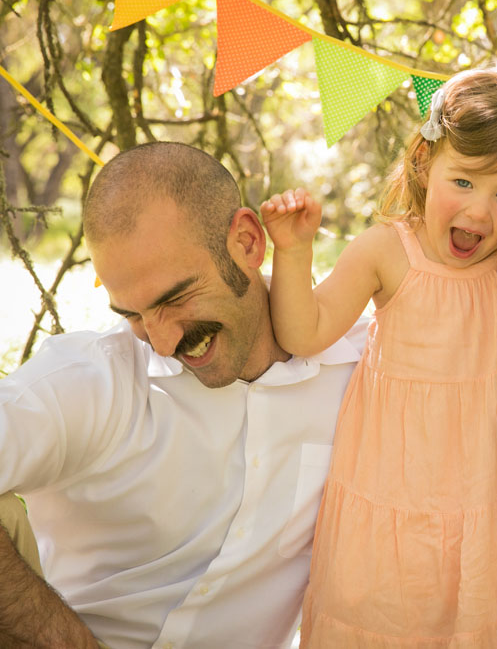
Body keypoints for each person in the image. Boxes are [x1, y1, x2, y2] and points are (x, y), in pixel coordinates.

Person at [0, 142, 368, 649]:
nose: (164, 340)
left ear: (246, 242)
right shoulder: (95, 380)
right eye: (132, 314)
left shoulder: (367, 370)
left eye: (176, 298)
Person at [259, 69, 497, 646]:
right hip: (393, 492)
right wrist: (294, 251)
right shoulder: (386, 251)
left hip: (494, 493)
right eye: (466, 181)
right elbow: (306, 332)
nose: (480, 213)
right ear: (425, 164)